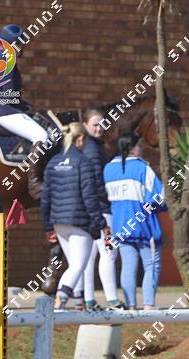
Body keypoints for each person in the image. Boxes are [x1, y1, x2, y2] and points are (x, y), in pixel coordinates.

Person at [41, 122, 107, 310]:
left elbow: (46, 197)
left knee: (73, 266)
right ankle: (59, 303)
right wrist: (101, 222)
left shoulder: (53, 162)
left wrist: (47, 226)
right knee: (78, 266)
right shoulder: (84, 162)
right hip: (79, 222)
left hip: (58, 223)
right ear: (81, 139)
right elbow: (90, 196)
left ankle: (79, 306)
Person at [0, 24, 54, 196]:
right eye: (20, 44)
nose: (22, 47)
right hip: (6, 112)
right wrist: (24, 107)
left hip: (4, 109)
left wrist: (25, 106)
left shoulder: (3, 58)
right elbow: (8, 95)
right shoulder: (6, 60)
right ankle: (34, 183)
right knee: (42, 136)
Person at [104, 133, 166, 310]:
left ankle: (131, 306)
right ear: (132, 148)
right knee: (151, 265)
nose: (142, 148)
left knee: (127, 266)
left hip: (120, 227)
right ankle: (148, 305)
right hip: (145, 227)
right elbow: (159, 198)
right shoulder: (142, 168)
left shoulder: (108, 169)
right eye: (140, 145)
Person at [80, 107, 123, 310]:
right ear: (85, 125)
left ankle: (89, 299)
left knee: (89, 256)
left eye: (102, 124)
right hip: (101, 209)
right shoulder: (93, 150)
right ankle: (112, 299)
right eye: (95, 125)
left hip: (90, 208)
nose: (99, 128)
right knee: (109, 253)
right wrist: (106, 199)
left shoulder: (90, 147)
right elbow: (96, 182)